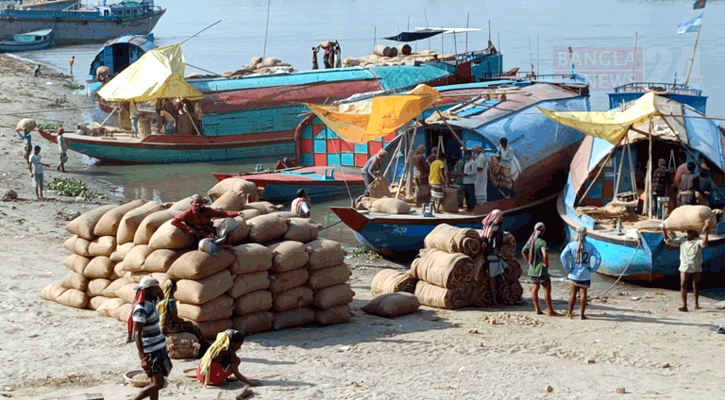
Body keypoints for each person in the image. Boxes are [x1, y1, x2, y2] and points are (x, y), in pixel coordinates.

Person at [129, 276, 172, 400]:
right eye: (155, 289)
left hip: (158, 347)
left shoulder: (151, 303)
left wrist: (157, 289)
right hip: (151, 351)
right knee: (159, 384)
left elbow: (162, 298)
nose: (158, 291)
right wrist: (143, 358)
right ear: (147, 291)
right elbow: (137, 333)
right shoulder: (141, 309)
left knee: (154, 383)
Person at [663, 219, 709, 312]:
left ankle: (696, 304)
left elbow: (704, 243)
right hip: (684, 265)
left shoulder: (697, 241)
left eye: (691, 232)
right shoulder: (682, 240)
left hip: (696, 266)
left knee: (696, 285)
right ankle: (684, 305)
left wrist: (706, 232)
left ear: (695, 234)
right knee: (683, 284)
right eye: (688, 232)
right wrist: (664, 231)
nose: (688, 233)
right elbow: (668, 241)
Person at [156, 279, 210, 357]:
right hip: (171, 327)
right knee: (191, 326)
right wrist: (182, 321)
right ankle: (204, 347)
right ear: (174, 288)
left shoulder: (160, 302)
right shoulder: (170, 301)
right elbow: (174, 318)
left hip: (163, 327)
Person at [560, 227, 601, 320]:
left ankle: (569, 314)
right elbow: (598, 258)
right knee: (583, 294)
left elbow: (563, 256)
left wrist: (567, 268)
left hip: (573, 274)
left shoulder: (571, 245)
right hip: (585, 274)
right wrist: (593, 268)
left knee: (572, 294)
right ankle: (582, 315)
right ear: (586, 234)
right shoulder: (590, 246)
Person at [197, 329, 261, 387]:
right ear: (232, 343)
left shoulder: (214, 347)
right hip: (211, 380)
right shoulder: (230, 352)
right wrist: (250, 383)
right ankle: (224, 376)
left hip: (200, 375)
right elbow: (236, 373)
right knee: (237, 360)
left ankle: (225, 376)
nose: (239, 348)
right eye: (239, 345)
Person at [170, 194, 240, 246]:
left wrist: (236, 213)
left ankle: (223, 243)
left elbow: (222, 214)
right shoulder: (187, 213)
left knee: (229, 223)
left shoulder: (207, 210)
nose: (198, 204)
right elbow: (174, 221)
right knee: (206, 244)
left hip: (210, 232)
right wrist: (187, 228)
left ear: (202, 203)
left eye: (200, 202)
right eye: (196, 202)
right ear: (192, 203)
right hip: (198, 236)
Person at [522, 222, 560, 316]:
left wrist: (528, 262)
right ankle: (550, 310)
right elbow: (545, 254)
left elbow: (523, 251)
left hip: (533, 270)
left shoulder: (531, 241)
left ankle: (537, 309)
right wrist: (545, 264)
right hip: (541, 270)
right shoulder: (542, 242)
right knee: (547, 289)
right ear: (543, 231)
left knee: (535, 288)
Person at [481, 209, 505, 305]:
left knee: (493, 279)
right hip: (494, 257)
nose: (502, 218)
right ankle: (495, 301)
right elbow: (495, 243)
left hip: (488, 256)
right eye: (501, 216)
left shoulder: (486, 227)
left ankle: (495, 299)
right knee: (494, 280)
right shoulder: (496, 229)